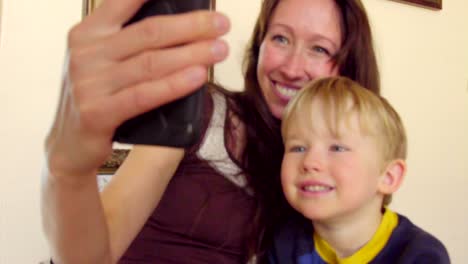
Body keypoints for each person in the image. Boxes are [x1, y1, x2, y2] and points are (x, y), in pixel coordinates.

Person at [41, 0, 380, 263]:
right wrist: (65, 169)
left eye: (319, 49)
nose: (291, 68)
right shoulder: (197, 113)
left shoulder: (348, 171)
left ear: (349, 68)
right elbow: (88, 256)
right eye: (280, 38)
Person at [269, 76, 450, 263]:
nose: (309, 162)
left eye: (337, 148)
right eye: (298, 148)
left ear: (388, 177)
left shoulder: (420, 255)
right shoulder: (284, 243)